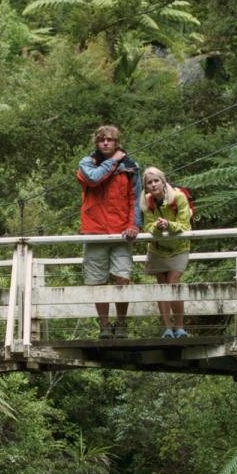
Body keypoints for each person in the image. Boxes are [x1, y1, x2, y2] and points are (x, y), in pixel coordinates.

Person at [76, 125, 141, 337]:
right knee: (97, 281)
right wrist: (114, 162)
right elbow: (94, 179)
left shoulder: (131, 167)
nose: (106, 143)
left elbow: (136, 199)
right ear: (96, 143)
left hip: (121, 232)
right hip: (94, 231)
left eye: (110, 140)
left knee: (122, 277)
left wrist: (134, 225)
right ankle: (104, 326)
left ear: (117, 143)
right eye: (102, 139)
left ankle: (121, 324)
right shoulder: (86, 163)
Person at [139, 166, 193, 337]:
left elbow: (185, 225)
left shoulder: (178, 197)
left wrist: (168, 225)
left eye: (156, 181)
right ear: (145, 186)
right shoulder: (147, 201)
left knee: (173, 284)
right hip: (157, 248)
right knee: (162, 287)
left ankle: (180, 327)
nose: (153, 185)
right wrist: (157, 226)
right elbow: (147, 226)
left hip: (178, 247)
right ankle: (167, 329)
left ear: (163, 181)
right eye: (149, 182)